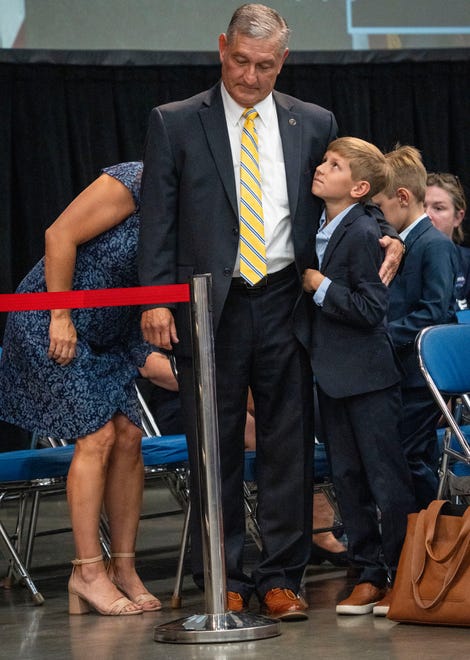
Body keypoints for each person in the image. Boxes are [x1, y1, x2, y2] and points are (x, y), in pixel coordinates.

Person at [138, 3, 403, 621]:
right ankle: (226, 577)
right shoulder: (175, 122)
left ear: (283, 61)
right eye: (240, 61)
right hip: (210, 307)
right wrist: (154, 298)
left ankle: (283, 576)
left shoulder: (313, 121)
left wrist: (391, 236)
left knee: (287, 444)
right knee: (216, 445)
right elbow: (158, 219)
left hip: (288, 300)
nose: (250, 77)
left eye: (264, 66)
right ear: (221, 47)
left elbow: (350, 204)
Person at [0, 162, 174, 615]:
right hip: (51, 322)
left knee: (130, 437)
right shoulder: (137, 180)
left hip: (113, 335)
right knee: (97, 437)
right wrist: (60, 316)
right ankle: (87, 572)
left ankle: (124, 568)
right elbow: (59, 235)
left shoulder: (199, 208)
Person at [303, 137, 416, 616]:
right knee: (346, 478)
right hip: (331, 377)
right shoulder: (321, 224)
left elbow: (372, 309)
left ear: (359, 188)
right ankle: (368, 573)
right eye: (325, 160)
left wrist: (319, 285)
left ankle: (401, 574)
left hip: (369, 379)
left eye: (335, 165)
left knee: (385, 480)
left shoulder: (367, 231)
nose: (322, 169)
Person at [372, 146, 459, 514]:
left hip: (420, 376)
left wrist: (383, 337)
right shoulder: (404, 243)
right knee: (408, 455)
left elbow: (434, 311)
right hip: (402, 373)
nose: (376, 215)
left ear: (403, 198)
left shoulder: (433, 244)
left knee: (409, 457)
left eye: (379, 206)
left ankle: (436, 530)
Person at [425, 172, 470, 309]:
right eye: (422, 206)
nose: (427, 215)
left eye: (438, 208)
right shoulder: (399, 261)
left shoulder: (467, 263)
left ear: (458, 217)